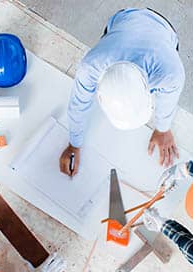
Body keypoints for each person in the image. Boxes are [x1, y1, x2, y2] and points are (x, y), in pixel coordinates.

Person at [59, 8, 185, 176]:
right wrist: (74, 144)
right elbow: (78, 104)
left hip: (164, 30)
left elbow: (168, 102)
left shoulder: (170, 71)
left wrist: (163, 129)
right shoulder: (91, 66)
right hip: (124, 19)